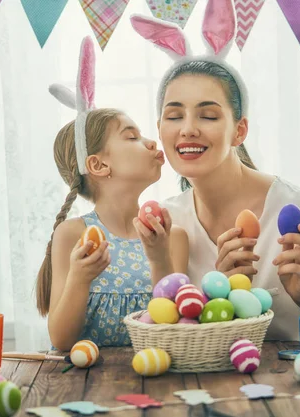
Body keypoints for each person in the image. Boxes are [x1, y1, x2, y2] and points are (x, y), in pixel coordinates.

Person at [131, 0, 300, 341]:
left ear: (239, 130)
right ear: (160, 126)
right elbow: (173, 338)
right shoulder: (170, 224)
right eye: (174, 115)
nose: (188, 129)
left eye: (208, 115)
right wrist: (215, 295)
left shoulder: (299, 214)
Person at [35, 37, 189, 350]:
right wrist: (80, 277)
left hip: (157, 378)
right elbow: (61, 340)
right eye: (131, 136)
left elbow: (174, 331)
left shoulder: (172, 236)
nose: (150, 142)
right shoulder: (73, 235)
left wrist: (159, 257)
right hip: (84, 388)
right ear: (99, 164)